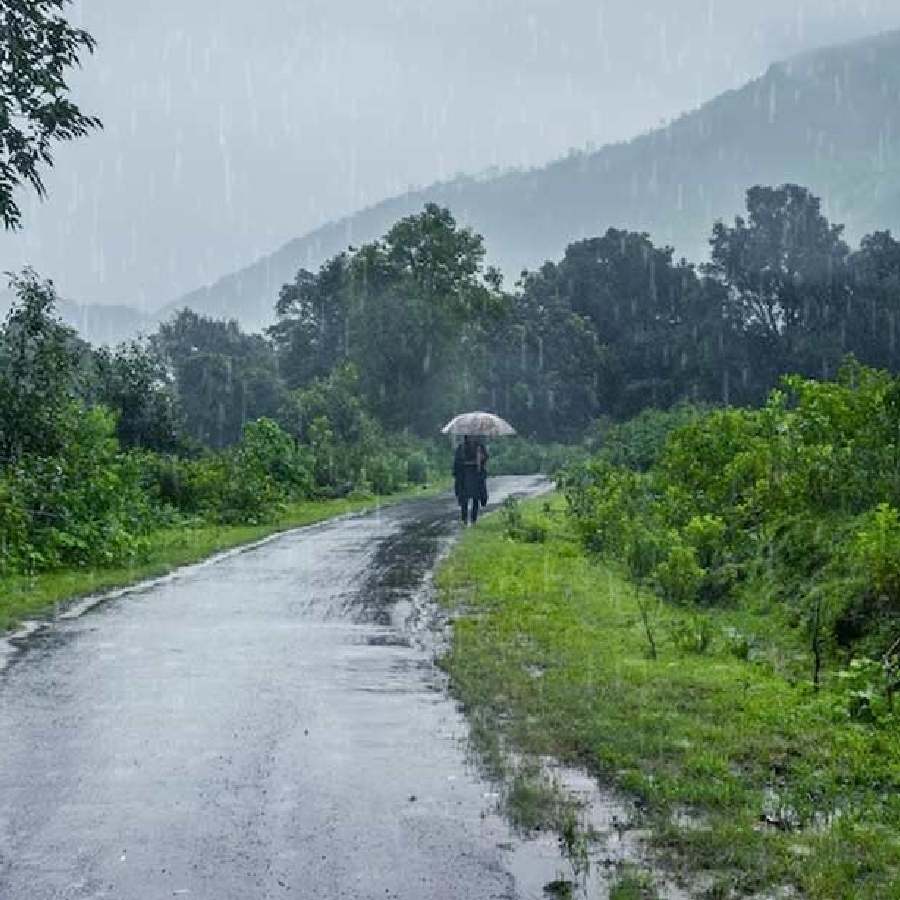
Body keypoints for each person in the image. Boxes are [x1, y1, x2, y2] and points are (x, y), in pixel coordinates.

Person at [453, 435, 488, 525]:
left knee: (476, 498)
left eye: (474, 437)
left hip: (476, 475)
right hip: (465, 476)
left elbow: (486, 458)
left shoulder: (480, 447)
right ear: (467, 437)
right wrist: (468, 463)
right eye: (470, 437)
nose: (472, 438)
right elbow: (457, 462)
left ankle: (474, 519)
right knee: (464, 499)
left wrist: (481, 458)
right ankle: (464, 519)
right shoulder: (462, 447)